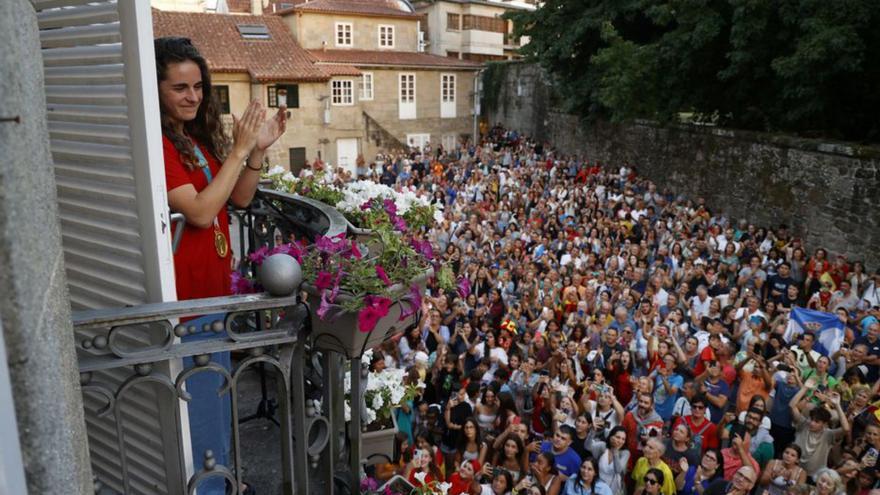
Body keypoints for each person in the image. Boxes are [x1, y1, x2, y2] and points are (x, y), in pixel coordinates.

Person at [156, 36, 287, 495]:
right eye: (179, 88)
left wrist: (255, 151)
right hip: (187, 303)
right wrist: (237, 149)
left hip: (212, 295)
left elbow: (240, 197)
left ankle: (223, 481)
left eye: (198, 86)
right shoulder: (161, 147)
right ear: (156, 90)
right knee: (200, 409)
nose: (193, 96)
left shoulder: (191, 139)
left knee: (215, 399)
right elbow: (199, 211)